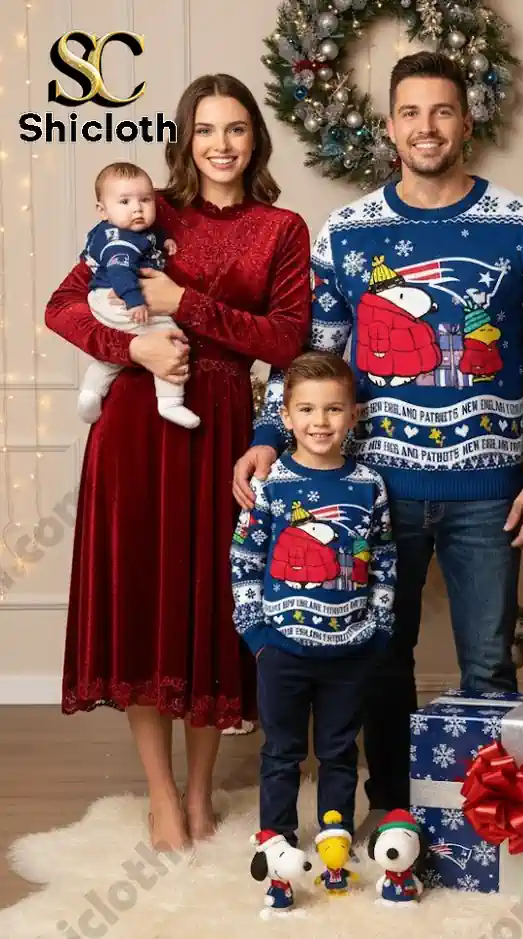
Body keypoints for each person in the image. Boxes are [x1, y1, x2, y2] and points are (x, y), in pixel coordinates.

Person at [233, 51, 523, 832]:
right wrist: (268, 431)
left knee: (489, 665)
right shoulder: (350, 233)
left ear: (466, 122)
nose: (427, 128)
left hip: (490, 490)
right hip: (374, 487)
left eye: (443, 111)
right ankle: (394, 810)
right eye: (411, 113)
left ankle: (492, 823)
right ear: (390, 127)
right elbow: (309, 358)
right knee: (378, 664)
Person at [44, 73, 311, 852]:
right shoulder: (148, 211)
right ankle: (161, 794)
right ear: (184, 139)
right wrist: (132, 343)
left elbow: (287, 340)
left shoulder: (281, 228)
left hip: (225, 425)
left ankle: (201, 792)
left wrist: (184, 303)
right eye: (205, 129)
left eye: (235, 129)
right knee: (145, 598)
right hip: (136, 426)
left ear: (256, 138)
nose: (221, 144)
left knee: (210, 604)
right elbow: (63, 305)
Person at [231, 351, 396, 851]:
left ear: (352, 415)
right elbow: (245, 560)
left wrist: (378, 630)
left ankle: (334, 832)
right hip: (281, 650)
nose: (319, 422)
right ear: (285, 417)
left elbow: (385, 560)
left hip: (349, 650)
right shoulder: (271, 487)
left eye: (332, 410)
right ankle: (276, 838)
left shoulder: (369, 485)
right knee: (281, 751)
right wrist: (257, 635)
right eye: (306, 410)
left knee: (340, 751)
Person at [76, 162, 201, 430]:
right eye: (124, 201)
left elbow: (148, 237)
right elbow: (121, 272)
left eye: (145, 200)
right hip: (118, 298)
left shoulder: (123, 230)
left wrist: (164, 240)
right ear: (102, 210)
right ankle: (170, 401)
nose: (137, 208)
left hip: (104, 297)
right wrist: (135, 301)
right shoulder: (119, 243)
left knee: (126, 347)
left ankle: (90, 391)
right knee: (169, 337)